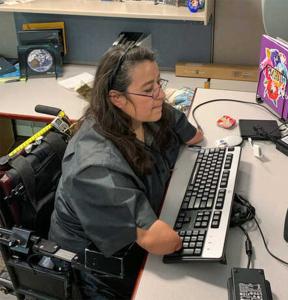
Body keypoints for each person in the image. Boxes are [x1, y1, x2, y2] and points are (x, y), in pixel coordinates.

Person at [49, 45, 203, 299]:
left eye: (158, 83)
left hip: (138, 239)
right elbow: (163, 242)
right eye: (148, 89)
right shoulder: (95, 168)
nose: (161, 95)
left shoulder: (143, 112)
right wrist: (205, 226)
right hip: (97, 271)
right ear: (117, 98)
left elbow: (194, 136)